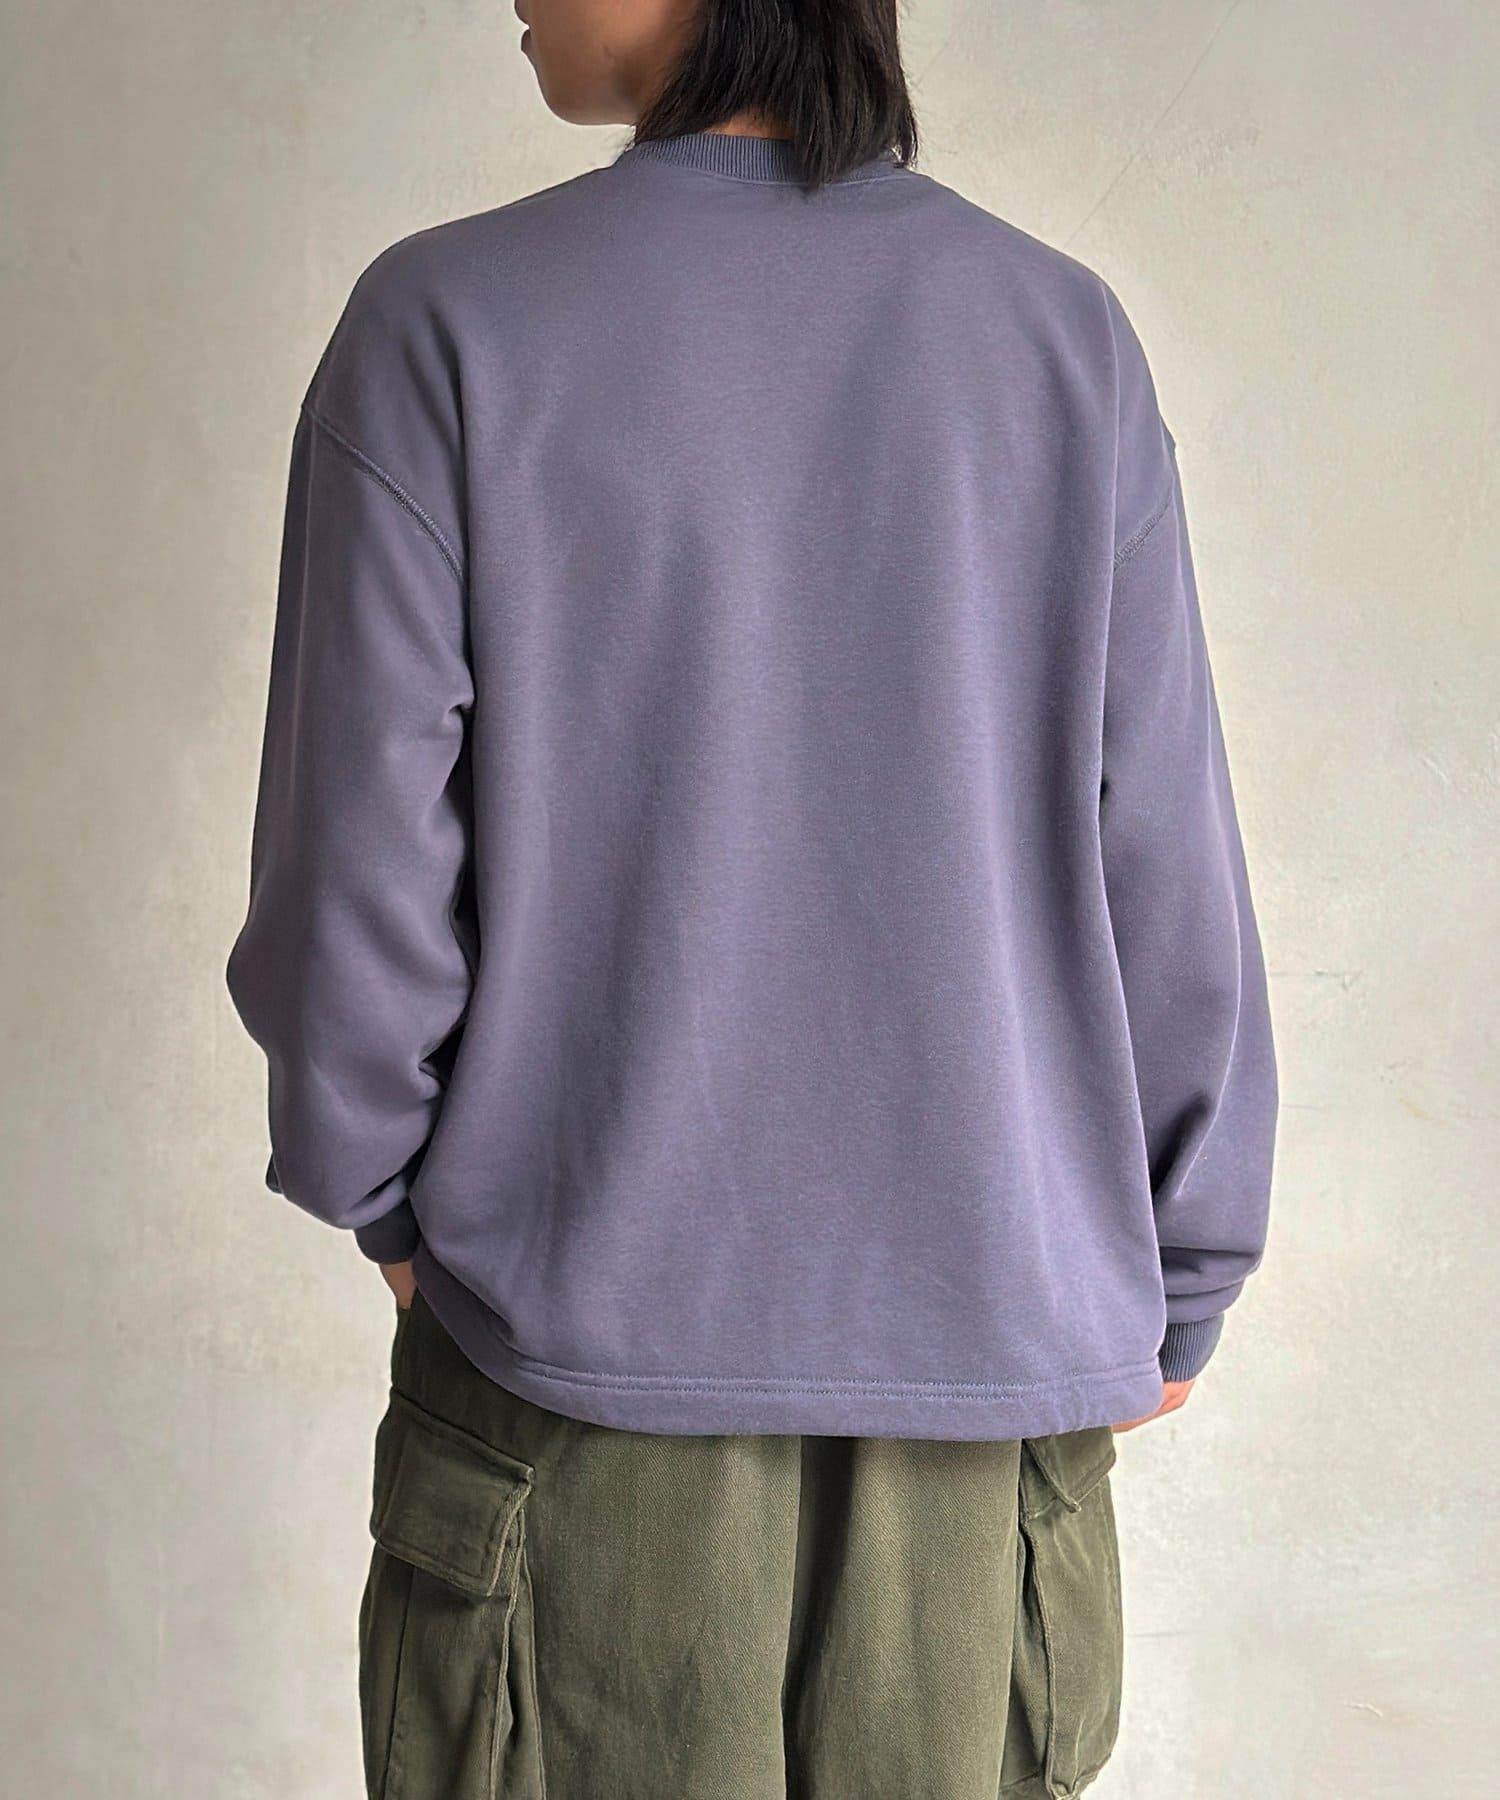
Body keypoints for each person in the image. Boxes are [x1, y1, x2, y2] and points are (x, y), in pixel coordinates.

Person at [226, 0, 1278, 1793]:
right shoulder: (1057, 338)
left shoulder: (447, 326)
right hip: (984, 1424)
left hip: (566, 1389)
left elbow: (357, 870)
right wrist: (1189, 1262)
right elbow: (1165, 860)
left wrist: (382, 1182)